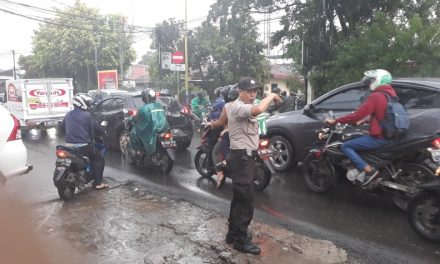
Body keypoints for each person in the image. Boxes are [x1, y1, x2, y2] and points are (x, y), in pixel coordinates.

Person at [222, 77, 282, 255]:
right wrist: (271, 95)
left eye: (255, 91)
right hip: (242, 158)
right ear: (240, 91)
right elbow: (259, 108)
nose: (253, 94)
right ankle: (241, 241)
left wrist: (274, 100)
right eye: (249, 91)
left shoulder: (244, 105)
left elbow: (265, 108)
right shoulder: (239, 106)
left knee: (239, 198)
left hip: (243, 157)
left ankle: (233, 234)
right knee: (245, 200)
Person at [325, 69, 396, 186]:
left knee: (345, 146)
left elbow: (357, 115)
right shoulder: (391, 95)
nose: (369, 84)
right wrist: (365, 120)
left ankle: (369, 170)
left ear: (378, 80)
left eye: (371, 80)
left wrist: (335, 120)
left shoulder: (377, 96)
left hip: (379, 137)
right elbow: (383, 115)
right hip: (390, 135)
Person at [62, 94, 108, 190]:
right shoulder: (87, 115)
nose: (88, 105)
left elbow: (62, 128)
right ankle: (98, 183)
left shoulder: (68, 115)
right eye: (87, 103)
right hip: (83, 146)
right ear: (81, 103)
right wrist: (103, 131)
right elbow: (97, 129)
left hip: (69, 146)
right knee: (98, 157)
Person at [128, 88, 169, 157]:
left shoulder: (144, 108)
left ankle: (137, 151)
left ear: (144, 97)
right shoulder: (159, 105)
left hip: (152, 130)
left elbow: (136, 118)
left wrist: (130, 119)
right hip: (164, 128)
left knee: (133, 133)